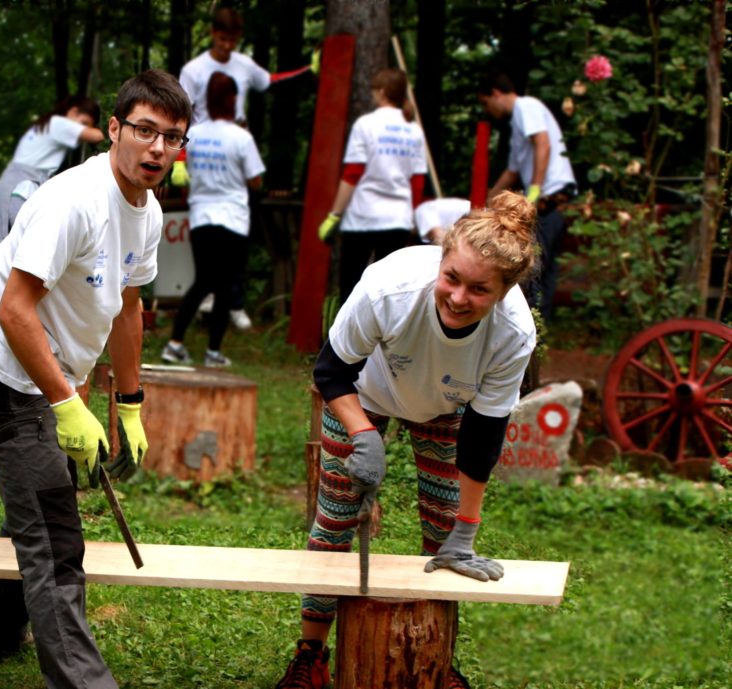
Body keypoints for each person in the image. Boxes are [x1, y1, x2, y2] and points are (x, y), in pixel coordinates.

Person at [0, 70, 191, 689]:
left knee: (36, 496)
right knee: (58, 541)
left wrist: (131, 404)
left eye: (172, 138)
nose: (158, 149)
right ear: (113, 129)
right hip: (1, 372)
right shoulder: (73, 201)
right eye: (144, 131)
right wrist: (66, 403)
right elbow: (13, 310)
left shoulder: (146, 213)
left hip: (55, 375)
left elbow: (131, 306)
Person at [275, 191, 538, 689]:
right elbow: (330, 372)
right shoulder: (388, 288)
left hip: (445, 407)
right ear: (440, 262)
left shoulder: (513, 333)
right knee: (335, 516)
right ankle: (311, 655)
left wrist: (467, 529)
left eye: (479, 290)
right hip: (362, 393)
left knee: (445, 530)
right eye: (452, 279)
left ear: (503, 293)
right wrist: (362, 434)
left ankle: (439, 659)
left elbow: (483, 438)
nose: (459, 298)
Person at [177, 6, 317, 329]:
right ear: (213, 34)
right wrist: (180, 162)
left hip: (235, 152)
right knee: (205, 232)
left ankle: (234, 302)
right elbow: (180, 113)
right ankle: (208, 295)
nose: (227, 46)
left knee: (238, 234)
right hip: (203, 153)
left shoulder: (243, 65)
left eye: (232, 40)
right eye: (222, 39)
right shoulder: (194, 70)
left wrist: (311, 70)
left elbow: (272, 81)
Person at [161, 72, 265, 368]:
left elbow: (183, 171)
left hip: (202, 217)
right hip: (232, 219)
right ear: (232, 100)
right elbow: (255, 180)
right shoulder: (241, 138)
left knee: (203, 281)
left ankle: (176, 342)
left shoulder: (196, 135)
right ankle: (212, 351)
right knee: (223, 285)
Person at [316, 68, 428, 304]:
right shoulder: (414, 131)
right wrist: (414, 218)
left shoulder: (366, 125)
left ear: (382, 92)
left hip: (363, 217)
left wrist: (334, 214)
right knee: (389, 292)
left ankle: (344, 338)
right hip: (397, 219)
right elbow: (417, 181)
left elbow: (352, 173)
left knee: (351, 287)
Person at [478, 71, 577, 321]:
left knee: (535, 269)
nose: (487, 110)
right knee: (542, 269)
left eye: (485, 102)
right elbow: (512, 171)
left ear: (496, 93)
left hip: (551, 198)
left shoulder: (526, 106)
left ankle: (533, 329)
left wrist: (533, 192)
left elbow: (543, 144)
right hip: (547, 198)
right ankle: (538, 327)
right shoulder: (517, 123)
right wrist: (486, 201)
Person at [0, 95, 105, 251]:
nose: (82, 129)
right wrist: (96, 130)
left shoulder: (47, 126)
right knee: (26, 249)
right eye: (84, 123)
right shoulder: (58, 124)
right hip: (20, 191)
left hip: (15, 189)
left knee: (16, 250)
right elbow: (97, 136)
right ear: (73, 112)